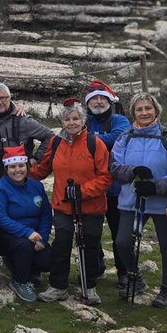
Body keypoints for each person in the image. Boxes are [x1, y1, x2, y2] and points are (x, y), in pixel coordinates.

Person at [30, 100, 113, 305]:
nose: (71, 122)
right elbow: (43, 169)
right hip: (63, 205)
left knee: (90, 243)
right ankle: (58, 286)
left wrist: (81, 191)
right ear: (62, 122)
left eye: (75, 118)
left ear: (83, 120)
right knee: (61, 243)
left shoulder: (96, 143)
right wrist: (22, 175)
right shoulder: (56, 143)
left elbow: (106, 177)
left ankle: (89, 286)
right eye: (67, 119)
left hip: (91, 205)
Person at [110, 92, 167, 307]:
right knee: (122, 242)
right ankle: (135, 277)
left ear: (156, 110)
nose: (144, 112)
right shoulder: (125, 137)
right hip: (131, 198)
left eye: (148, 108)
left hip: (162, 202)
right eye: (139, 109)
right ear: (133, 113)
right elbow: (114, 167)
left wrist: (157, 187)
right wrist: (132, 172)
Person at [83, 79, 133, 285]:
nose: (97, 102)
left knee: (119, 233)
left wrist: (90, 137)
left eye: (101, 98)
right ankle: (96, 268)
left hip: (115, 188)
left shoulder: (119, 119)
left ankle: (125, 273)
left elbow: (118, 138)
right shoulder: (83, 120)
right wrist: (101, 136)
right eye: (93, 99)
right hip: (91, 187)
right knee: (90, 233)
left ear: (109, 101)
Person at [0, 146, 52, 302]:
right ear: (6, 169)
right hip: (7, 236)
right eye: (12, 167)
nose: (17, 170)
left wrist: (42, 238)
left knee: (49, 260)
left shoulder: (36, 186)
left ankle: (29, 269)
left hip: (34, 235)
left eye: (21, 165)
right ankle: (19, 280)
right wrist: (27, 232)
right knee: (24, 245)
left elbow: (45, 213)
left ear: (27, 166)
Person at [0, 83, 55, 189]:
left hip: (22, 177)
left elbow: (50, 136)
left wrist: (36, 159)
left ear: (9, 98)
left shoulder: (24, 121)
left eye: (3, 98)